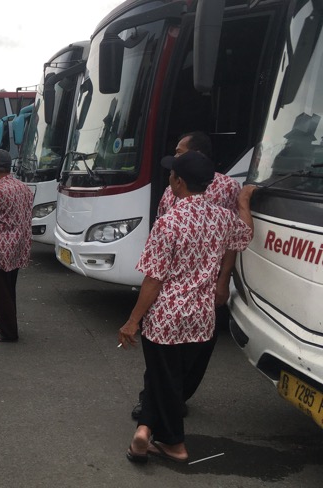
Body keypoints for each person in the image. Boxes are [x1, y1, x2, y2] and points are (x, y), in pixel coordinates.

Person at [118, 151, 255, 464]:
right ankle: (144, 430)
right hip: (201, 316)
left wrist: (132, 321)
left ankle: (174, 443)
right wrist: (244, 204)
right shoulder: (222, 217)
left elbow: (153, 280)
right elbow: (244, 236)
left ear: (178, 182)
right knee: (167, 377)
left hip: (165, 317)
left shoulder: (169, 223)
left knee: (163, 376)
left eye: (171, 175)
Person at [130, 131, 242, 420]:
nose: (175, 158)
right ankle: (156, 402)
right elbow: (238, 235)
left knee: (184, 353)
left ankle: (169, 405)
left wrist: (223, 280)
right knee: (170, 355)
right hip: (186, 288)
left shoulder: (227, 188)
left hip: (196, 289)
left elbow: (232, 241)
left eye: (180, 152)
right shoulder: (175, 193)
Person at [0, 149, 34, 343]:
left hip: (0, 247)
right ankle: (6, 324)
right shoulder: (23, 187)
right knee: (9, 289)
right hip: (18, 246)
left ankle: (7, 331)